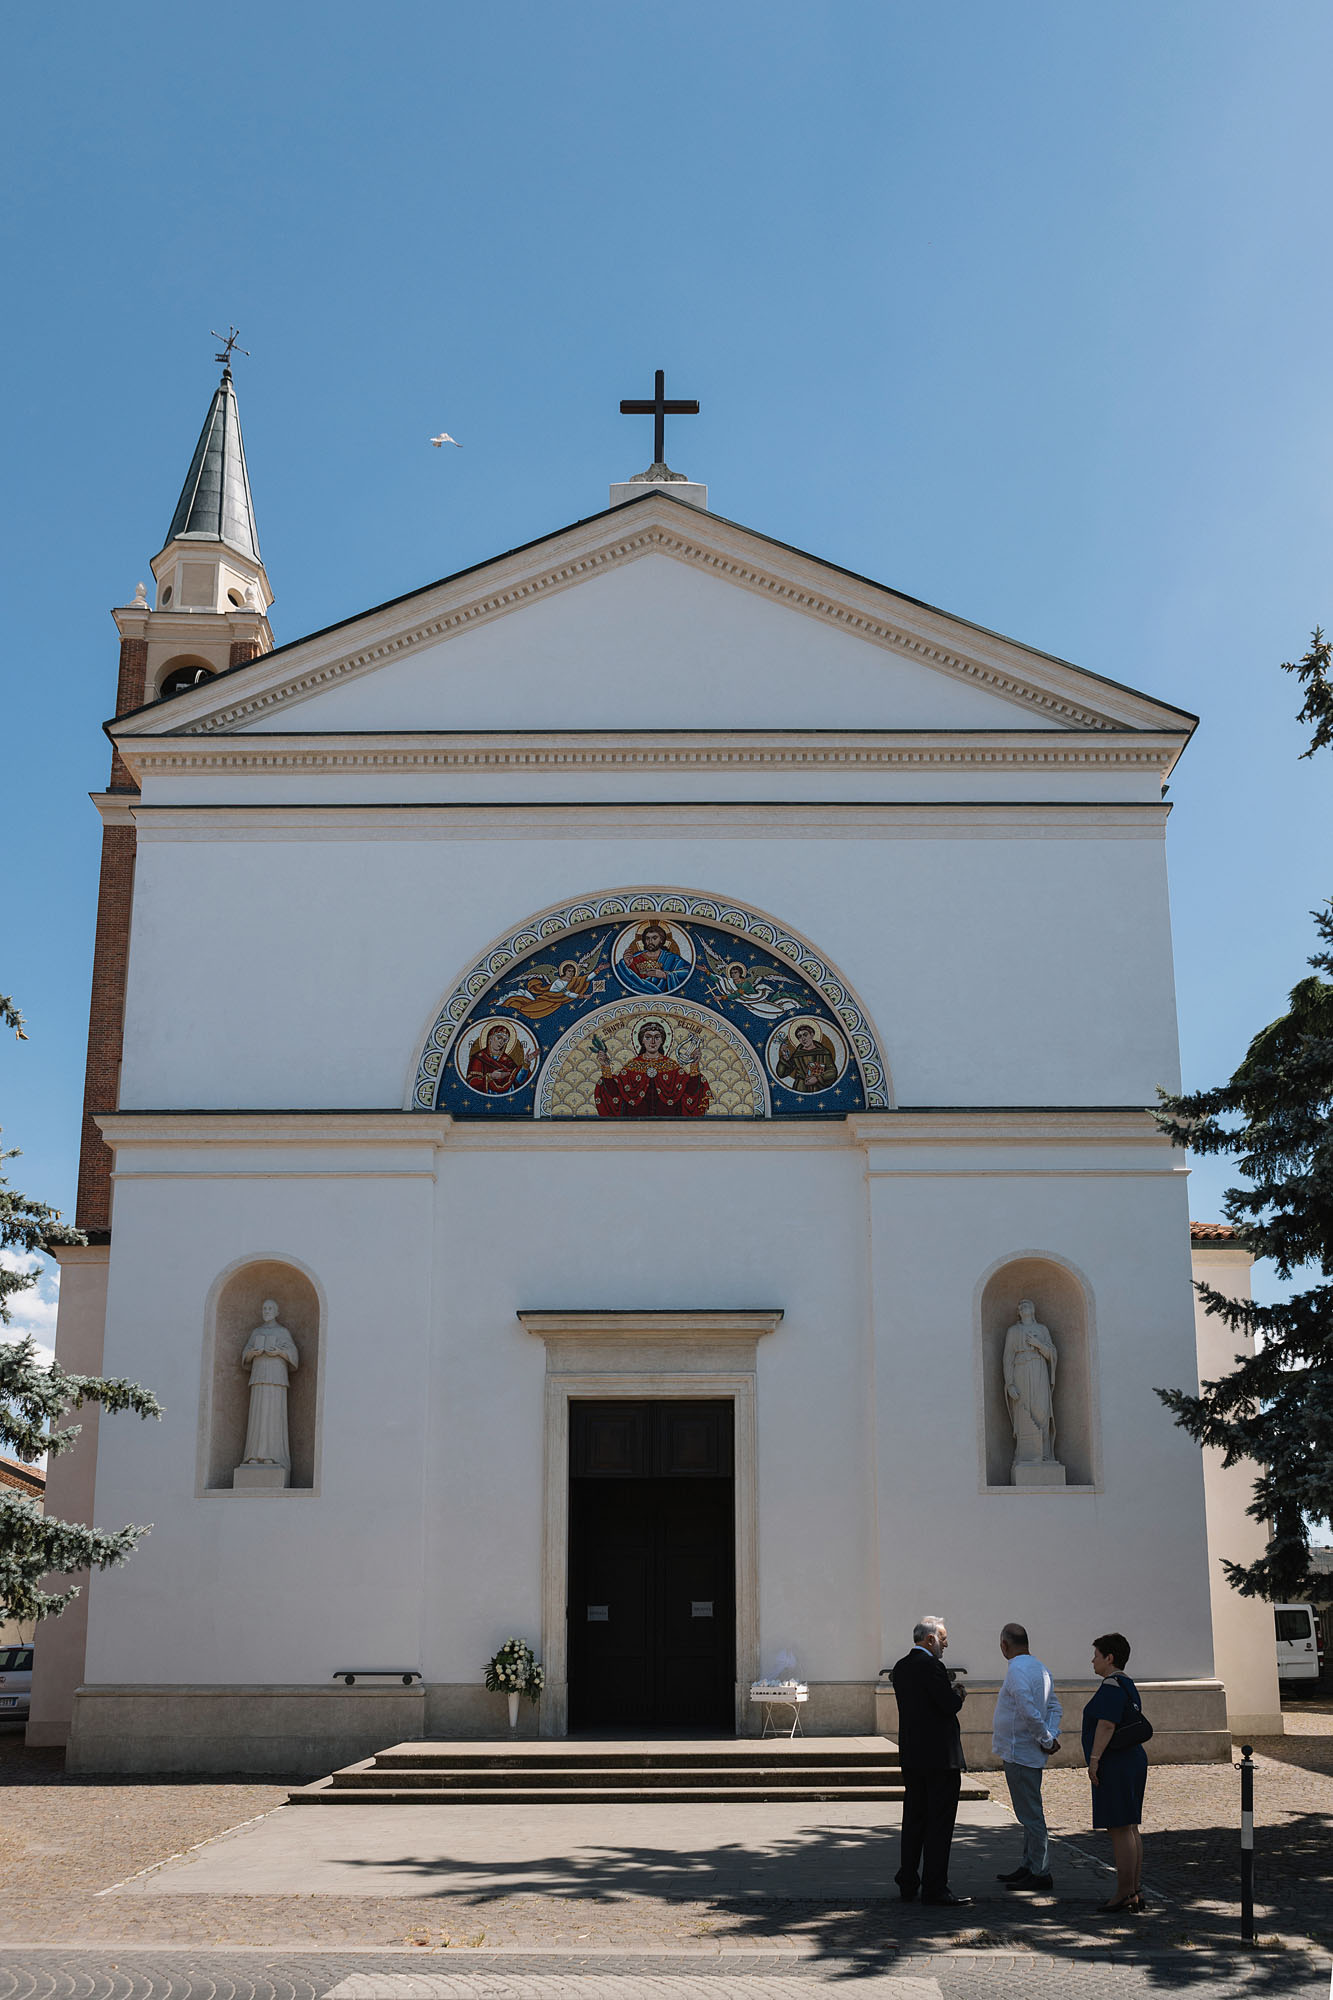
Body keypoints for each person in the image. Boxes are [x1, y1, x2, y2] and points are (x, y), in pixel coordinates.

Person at [889, 1615, 972, 1907]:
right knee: (939, 1824)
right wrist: (958, 1694)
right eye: (944, 1639)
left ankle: (908, 1879)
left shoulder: (901, 1667)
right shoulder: (932, 1666)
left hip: (913, 1756)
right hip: (939, 1759)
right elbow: (946, 1705)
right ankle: (935, 1886)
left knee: (914, 1820)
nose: (946, 1645)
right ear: (931, 1639)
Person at [991, 1621, 1062, 1891]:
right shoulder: (1040, 1668)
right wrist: (1050, 1734)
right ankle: (1029, 1865)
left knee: (1031, 1814)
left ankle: (1040, 1871)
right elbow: (1054, 1706)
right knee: (1027, 1813)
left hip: (1019, 1752)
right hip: (1024, 1751)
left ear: (1004, 1645)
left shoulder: (1017, 1670)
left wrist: (1046, 1738)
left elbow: (1028, 1710)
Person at [1081, 1631, 1148, 1912]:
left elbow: (1106, 1724)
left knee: (1119, 1827)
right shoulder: (1127, 1683)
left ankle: (1124, 1892)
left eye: (1096, 1655)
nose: (1092, 1660)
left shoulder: (1111, 1685)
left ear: (1109, 1658)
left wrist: (1094, 1759)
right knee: (1129, 1826)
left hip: (1117, 1762)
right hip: (1132, 1759)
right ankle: (1134, 1889)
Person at [593, 1019, 710, 1117]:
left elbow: (689, 1091)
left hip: (668, 1126)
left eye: (657, 1037)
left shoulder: (671, 1065)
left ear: (662, 1040)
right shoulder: (632, 1065)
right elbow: (615, 1093)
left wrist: (694, 1064)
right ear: (642, 1040)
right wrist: (605, 1066)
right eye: (648, 1037)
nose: (653, 1042)